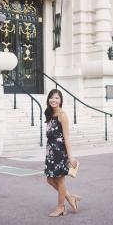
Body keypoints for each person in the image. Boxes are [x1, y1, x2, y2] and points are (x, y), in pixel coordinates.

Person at [44, 89, 81, 217]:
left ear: (61, 101)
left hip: (60, 153)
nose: (54, 100)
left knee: (60, 181)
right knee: (49, 179)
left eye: (57, 98)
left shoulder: (62, 115)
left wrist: (70, 157)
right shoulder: (49, 115)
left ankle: (61, 208)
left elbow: (66, 137)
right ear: (48, 99)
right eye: (51, 98)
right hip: (50, 153)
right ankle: (71, 198)